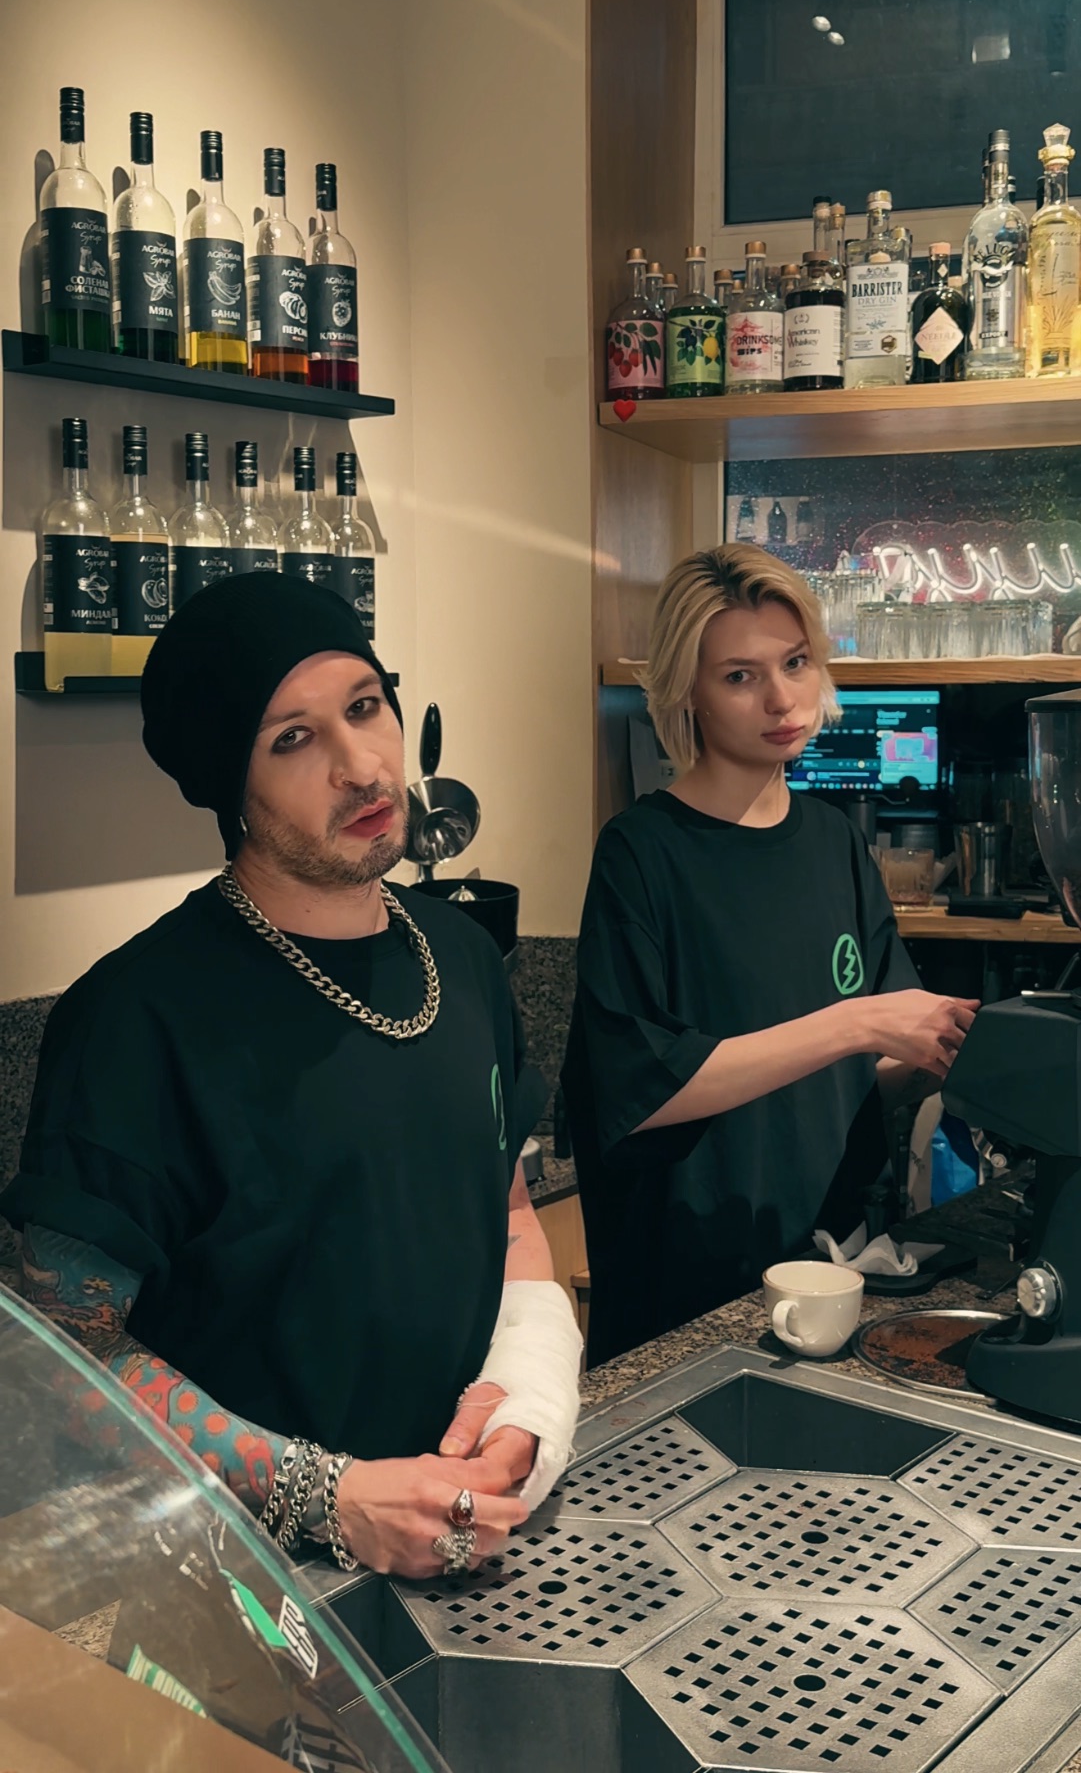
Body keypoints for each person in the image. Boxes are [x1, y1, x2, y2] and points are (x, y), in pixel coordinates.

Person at [2, 573, 581, 1577]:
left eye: (364, 706)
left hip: (469, 1534)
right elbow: (64, 1349)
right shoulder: (137, 1018)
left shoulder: (462, 956)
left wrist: (526, 1400)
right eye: (293, 739)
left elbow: (510, 1215)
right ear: (230, 784)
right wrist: (326, 1495)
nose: (361, 767)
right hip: (243, 1579)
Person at [561, 544, 978, 1367]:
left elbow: (864, 1071)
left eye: (794, 662)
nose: (782, 698)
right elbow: (641, 1088)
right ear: (688, 691)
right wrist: (855, 1022)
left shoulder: (832, 842)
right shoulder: (641, 852)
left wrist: (953, 1052)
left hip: (829, 1267)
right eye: (739, 676)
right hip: (687, 1283)